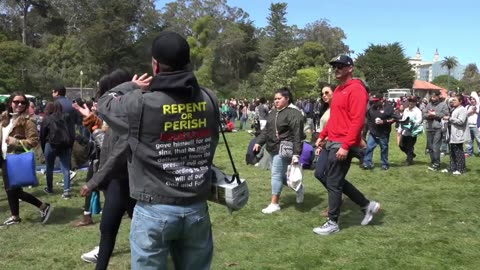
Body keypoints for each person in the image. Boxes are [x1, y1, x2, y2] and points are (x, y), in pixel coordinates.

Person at [97, 31, 220, 270]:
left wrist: (132, 85)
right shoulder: (209, 98)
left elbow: (105, 103)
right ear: (188, 63)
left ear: (155, 65)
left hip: (154, 209)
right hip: (196, 207)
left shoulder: (140, 102)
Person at [312, 55, 380, 236]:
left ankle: (333, 221)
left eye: (341, 66)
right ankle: (366, 205)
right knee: (321, 174)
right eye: (335, 66)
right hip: (331, 140)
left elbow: (358, 121)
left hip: (343, 142)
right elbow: (334, 118)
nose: (337, 69)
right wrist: (323, 135)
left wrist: (346, 145)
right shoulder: (339, 90)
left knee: (334, 181)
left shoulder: (356, 89)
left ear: (350, 68)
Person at [76, 69, 137, 269]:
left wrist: (93, 182)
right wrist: (94, 124)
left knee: (143, 234)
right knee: (107, 228)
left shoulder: (131, 115)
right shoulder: (114, 118)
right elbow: (108, 145)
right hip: (118, 183)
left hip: (135, 183)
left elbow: (118, 155)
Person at [0, 93, 53, 226]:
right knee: (9, 189)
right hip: (4, 157)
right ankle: (15, 216)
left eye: (23, 103)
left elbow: (34, 141)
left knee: (13, 190)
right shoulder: (4, 119)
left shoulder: (28, 121)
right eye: (16, 102)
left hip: (15, 159)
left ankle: (43, 206)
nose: (19, 105)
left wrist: (16, 141)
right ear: (10, 102)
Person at [253, 87, 305, 214]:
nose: (276, 101)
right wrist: (259, 142)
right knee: (282, 176)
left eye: (279, 98)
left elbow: (297, 134)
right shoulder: (273, 113)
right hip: (272, 148)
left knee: (276, 175)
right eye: (275, 99)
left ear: (287, 99)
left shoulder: (294, 114)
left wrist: (296, 153)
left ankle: (274, 203)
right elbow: (266, 130)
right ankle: (299, 188)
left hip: (285, 149)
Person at [40, 101, 75, 198]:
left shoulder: (47, 119)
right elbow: (72, 133)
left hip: (50, 144)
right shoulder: (67, 117)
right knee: (65, 168)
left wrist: (43, 147)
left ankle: (50, 188)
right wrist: (70, 145)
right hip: (65, 145)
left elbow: (42, 135)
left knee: (49, 167)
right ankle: (66, 190)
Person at [362, 96, 395, 170]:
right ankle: (367, 163)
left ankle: (384, 164)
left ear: (381, 100)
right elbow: (368, 118)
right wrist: (370, 128)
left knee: (384, 148)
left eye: (376, 101)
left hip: (383, 132)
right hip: (373, 132)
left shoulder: (388, 108)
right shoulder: (372, 108)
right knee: (369, 147)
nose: (375, 102)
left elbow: (393, 118)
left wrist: (384, 121)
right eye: (374, 101)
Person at [441, 94, 470, 174]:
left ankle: (461, 169)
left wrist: (449, 118)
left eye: (454, 100)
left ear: (460, 101)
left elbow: (461, 121)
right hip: (451, 133)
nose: (452, 101)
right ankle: (452, 167)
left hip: (458, 133)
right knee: (452, 151)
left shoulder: (462, 109)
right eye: (452, 100)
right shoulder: (454, 109)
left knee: (458, 151)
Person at [423, 91, 449, 171]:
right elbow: (423, 114)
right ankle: (433, 161)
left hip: (438, 128)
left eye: (434, 96)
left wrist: (435, 114)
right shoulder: (429, 104)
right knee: (430, 147)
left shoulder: (443, 104)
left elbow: (445, 114)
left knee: (435, 147)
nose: (432, 98)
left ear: (438, 96)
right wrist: (429, 115)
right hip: (429, 127)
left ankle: (437, 163)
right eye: (432, 96)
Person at [398, 97, 423, 165]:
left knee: (410, 146)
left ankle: (409, 160)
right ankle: (411, 154)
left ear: (415, 102)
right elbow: (403, 119)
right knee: (401, 145)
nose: (411, 103)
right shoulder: (406, 110)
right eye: (409, 101)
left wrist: (412, 123)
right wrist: (400, 129)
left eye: (412, 101)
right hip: (405, 131)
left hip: (412, 132)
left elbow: (419, 121)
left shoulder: (418, 111)